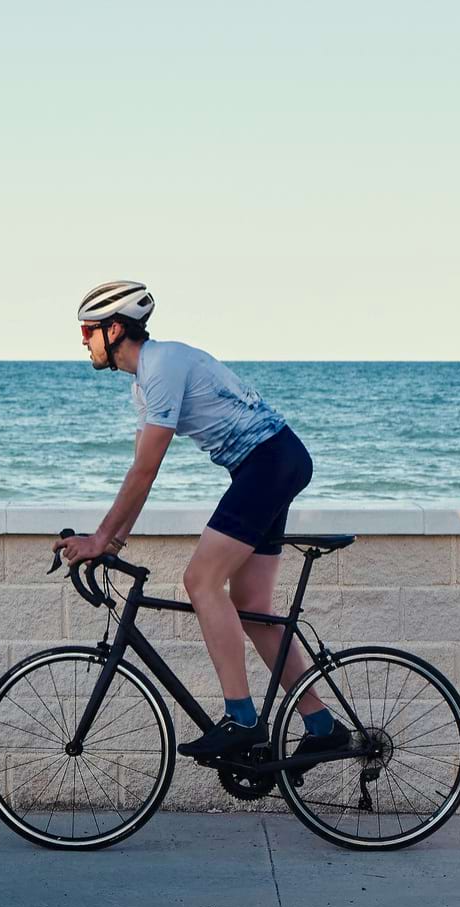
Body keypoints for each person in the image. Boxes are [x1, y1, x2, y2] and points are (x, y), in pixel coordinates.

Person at [52, 280, 350, 763]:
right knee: (251, 606)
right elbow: (140, 471)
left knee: (200, 581)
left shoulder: (163, 365)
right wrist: (112, 542)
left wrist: (100, 538)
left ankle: (242, 720)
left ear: (115, 329)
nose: (82, 340)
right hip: (270, 463)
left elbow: (147, 470)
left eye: (88, 330)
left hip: (268, 462)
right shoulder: (143, 385)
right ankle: (322, 726)